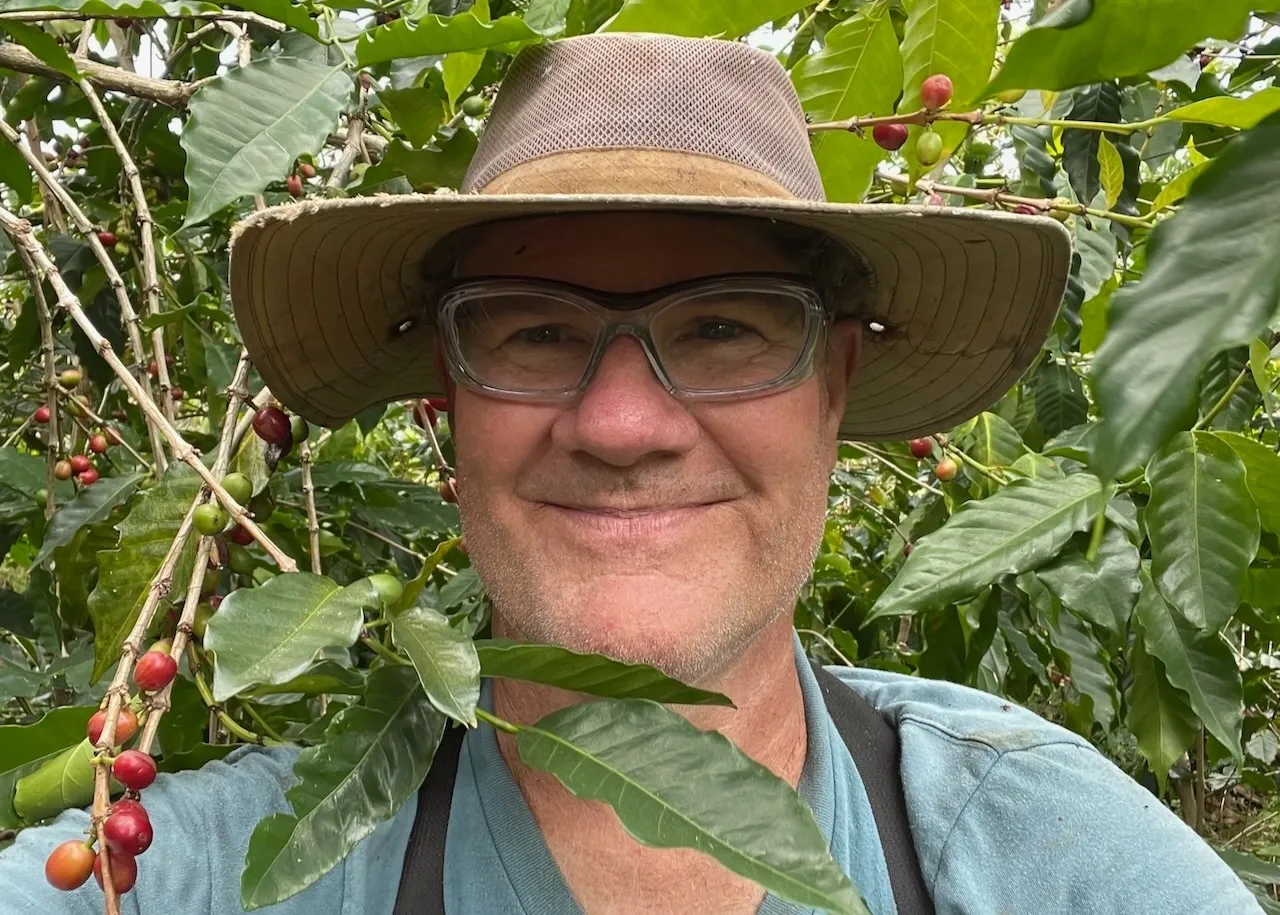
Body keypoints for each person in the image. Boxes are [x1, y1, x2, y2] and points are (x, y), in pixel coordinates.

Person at [0, 32, 1261, 915]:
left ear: (833, 393)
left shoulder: (1036, 852)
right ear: (445, 404)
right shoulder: (206, 869)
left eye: (722, 328)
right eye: (533, 331)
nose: (620, 423)